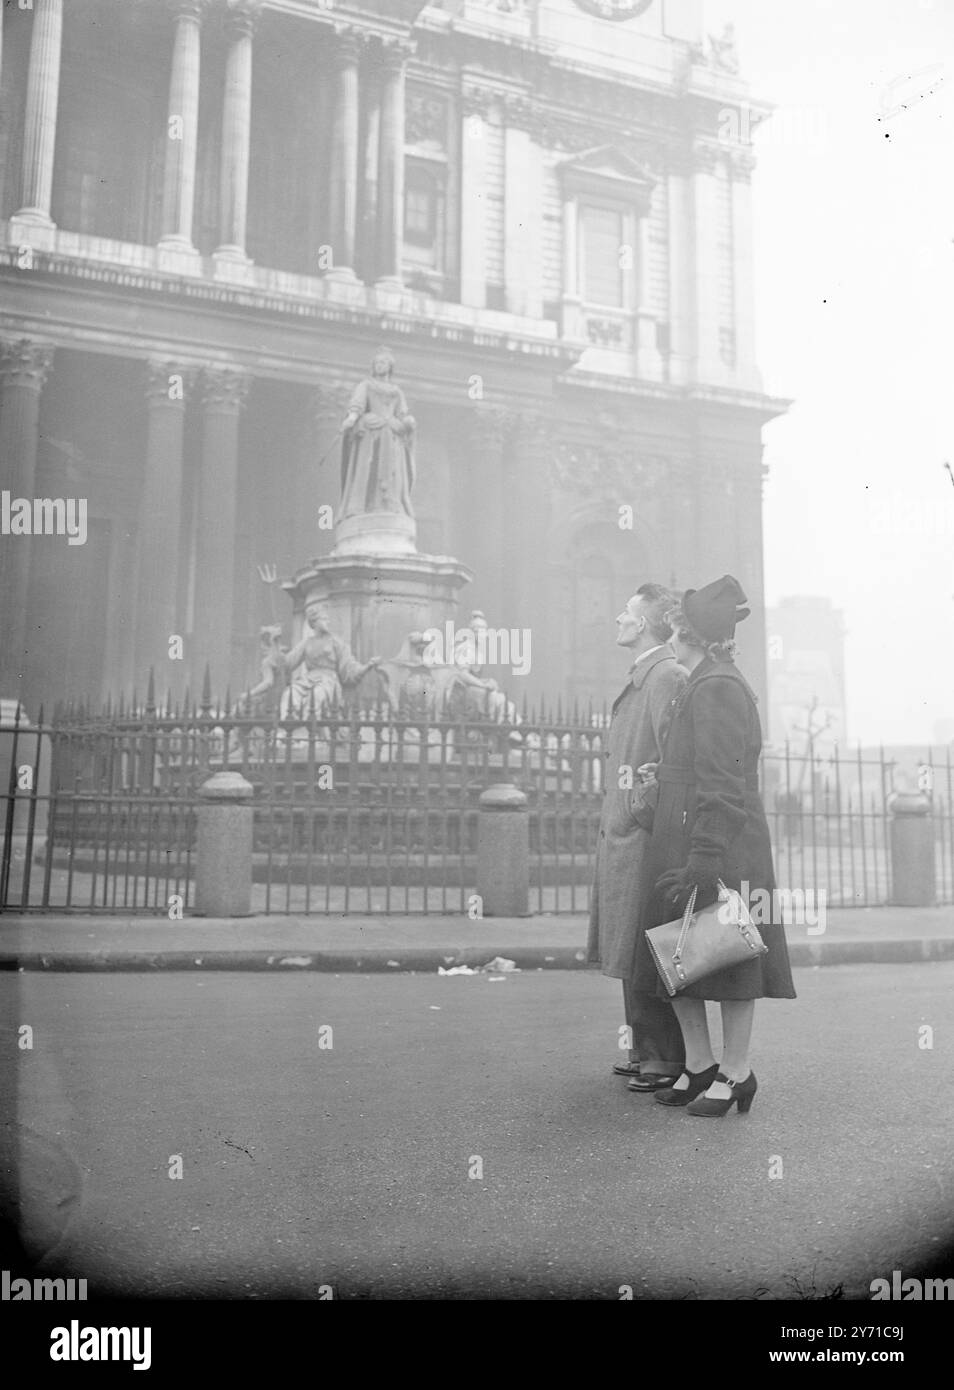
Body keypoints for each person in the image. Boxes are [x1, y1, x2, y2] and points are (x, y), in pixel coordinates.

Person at [630, 575, 796, 1117]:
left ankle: (737, 1072)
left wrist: (704, 858)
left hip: (719, 843)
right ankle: (700, 1066)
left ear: (691, 638)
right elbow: (702, 768)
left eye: (676, 635)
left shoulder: (718, 687)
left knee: (728, 955)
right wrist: (670, 773)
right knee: (682, 951)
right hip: (690, 836)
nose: (671, 645)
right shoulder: (704, 683)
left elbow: (723, 784)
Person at [586, 584, 688, 1091]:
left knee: (648, 946)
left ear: (645, 623)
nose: (618, 619)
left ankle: (664, 1059)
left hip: (643, 838)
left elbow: (676, 761)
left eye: (626, 612)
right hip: (626, 834)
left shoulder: (666, 675)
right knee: (629, 944)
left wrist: (639, 808)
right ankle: (644, 1048)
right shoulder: (647, 675)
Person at [339, 347, 416, 520]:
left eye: (383, 362)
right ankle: (363, 507)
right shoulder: (366, 385)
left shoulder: (397, 391)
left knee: (392, 471)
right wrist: (351, 419)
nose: (379, 366)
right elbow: (357, 405)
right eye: (377, 363)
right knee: (368, 468)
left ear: (390, 367)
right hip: (371, 431)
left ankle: (389, 505)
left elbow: (402, 413)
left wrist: (408, 421)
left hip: (392, 432)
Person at [279, 603, 381, 719]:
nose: (328, 622)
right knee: (289, 694)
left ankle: (309, 731)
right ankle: (288, 727)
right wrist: (276, 651)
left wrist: (367, 666)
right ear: (314, 622)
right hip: (307, 680)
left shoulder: (336, 642)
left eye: (328, 619)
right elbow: (288, 663)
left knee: (316, 696)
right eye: (324, 619)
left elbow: (349, 668)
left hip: (327, 681)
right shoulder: (307, 643)